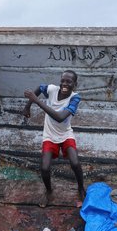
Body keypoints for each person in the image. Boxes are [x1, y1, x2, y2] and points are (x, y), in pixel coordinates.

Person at [22, 70, 86, 208]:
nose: (64, 84)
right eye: (62, 80)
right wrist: (27, 107)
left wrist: (36, 100)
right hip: (49, 135)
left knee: (75, 163)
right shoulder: (52, 89)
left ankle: (81, 187)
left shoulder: (75, 98)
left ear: (74, 84)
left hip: (65, 134)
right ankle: (49, 191)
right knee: (45, 167)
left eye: (69, 82)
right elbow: (39, 88)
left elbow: (60, 117)